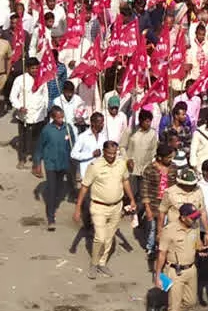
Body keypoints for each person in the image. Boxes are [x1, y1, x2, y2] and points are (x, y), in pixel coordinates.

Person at [74, 140, 135, 278]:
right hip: (99, 206)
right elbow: (84, 187)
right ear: (103, 151)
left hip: (117, 207)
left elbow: (125, 181)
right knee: (100, 238)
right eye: (109, 153)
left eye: (114, 153)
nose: (112, 156)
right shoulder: (94, 166)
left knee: (109, 238)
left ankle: (102, 263)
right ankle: (94, 264)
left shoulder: (121, 164)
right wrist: (78, 208)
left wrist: (131, 199)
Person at [154, 202, 206, 311]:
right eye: (192, 218)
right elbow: (162, 254)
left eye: (196, 217)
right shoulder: (169, 230)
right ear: (183, 217)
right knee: (174, 306)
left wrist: (201, 249)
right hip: (175, 272)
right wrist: (158, 275)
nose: (195, 220)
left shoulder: (195, 226)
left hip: (191, 270)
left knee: (190, 302)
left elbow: (196, 244)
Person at [34, 105, 76, 230]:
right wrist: (37, 163)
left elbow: (73, 144)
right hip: (51, 164)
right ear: (53, 118)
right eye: (58, 117)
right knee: (51, 190)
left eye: (62, 117)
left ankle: (54, 205)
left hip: (63, 163)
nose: (61, 119)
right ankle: (51, 218)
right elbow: (39, 147)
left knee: (58, 188)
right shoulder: (47, 130)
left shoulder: (67, 128)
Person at [9, 58, 48, 168]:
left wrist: (44, 111)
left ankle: (36, 160)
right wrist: (19, 107)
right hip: (24, 115)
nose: (35, 70)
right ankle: (22, 159)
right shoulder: (20, 80)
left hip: (39, 114)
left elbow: (45, 95)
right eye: (32, 68)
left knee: (37, 138)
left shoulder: (43, 78)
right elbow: (13, 96)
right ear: (27, 69)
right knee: (23, 138)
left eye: (36, 68)